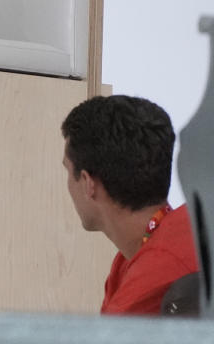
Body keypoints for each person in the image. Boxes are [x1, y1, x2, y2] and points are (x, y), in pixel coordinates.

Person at [61, 95, 200, 315]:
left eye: (68, 172)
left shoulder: (154, 277)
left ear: (88, 183)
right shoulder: (128, 262)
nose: (68, 184)